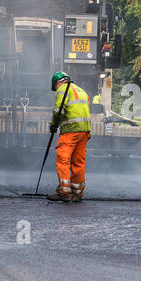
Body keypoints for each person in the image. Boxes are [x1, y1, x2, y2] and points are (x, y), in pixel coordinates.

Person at [46, 71, 91, 202]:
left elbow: (58, 109)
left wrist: (54, 125)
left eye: (55, 87)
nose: (56, 89)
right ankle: (77, 193)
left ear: (57, 83)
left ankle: (64, 191)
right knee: (78, 162)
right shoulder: (81, 90)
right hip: (85, 131)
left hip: (70, 131)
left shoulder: (62, 89)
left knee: (63, 159)